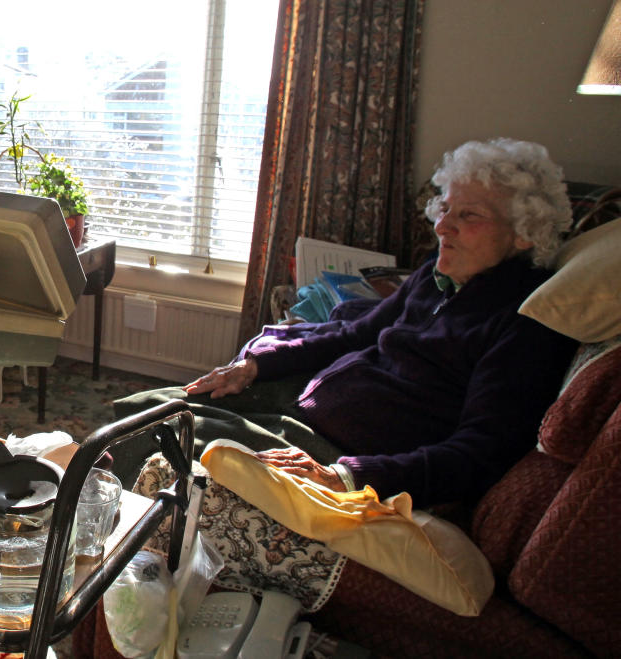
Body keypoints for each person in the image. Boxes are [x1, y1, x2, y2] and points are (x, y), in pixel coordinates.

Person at [114, 138, 579, 512]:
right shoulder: (438, 277)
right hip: (309, 405)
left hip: (343, 450)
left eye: (469, 216)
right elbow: (355, 333)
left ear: (524, 232)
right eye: (446, 210)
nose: (443, 227)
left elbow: (478, 453)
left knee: (156, 437)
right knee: (150, 404)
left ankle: (94, 527)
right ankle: (95, 501)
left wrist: (347, 474)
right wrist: (256, 365)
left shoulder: (524, 325)